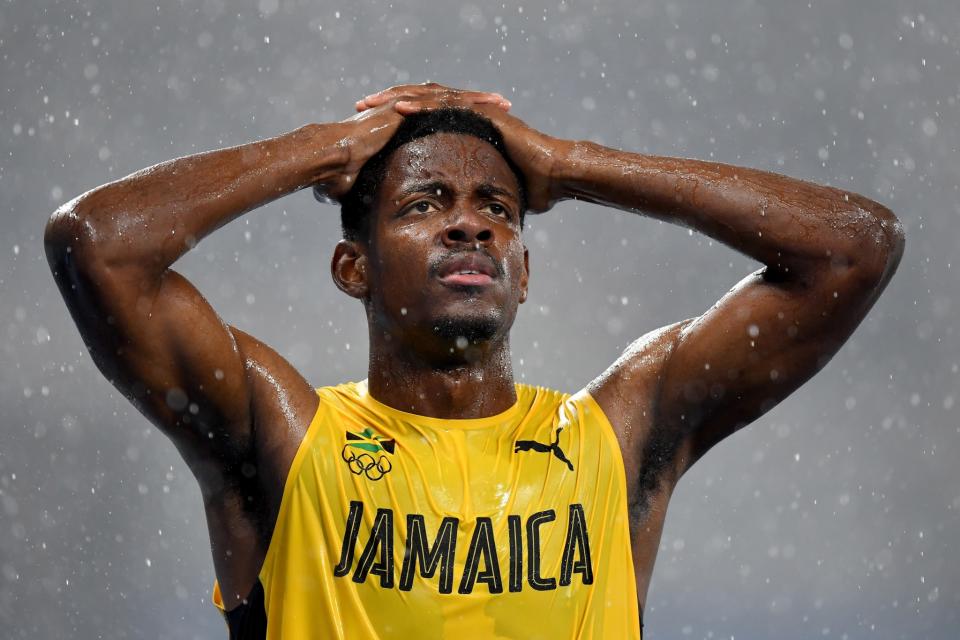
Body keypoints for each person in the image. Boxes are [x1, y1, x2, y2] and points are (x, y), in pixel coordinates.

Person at [43, 82, 904, 639]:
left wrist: (570, 165)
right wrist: (327, 148)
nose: (471, 224)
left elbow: (857, 248)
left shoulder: (619, 437)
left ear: (522, 272)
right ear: (354, 269)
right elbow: (98, 245)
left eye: (498, 207)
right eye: (425, 204)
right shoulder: (288, 436)